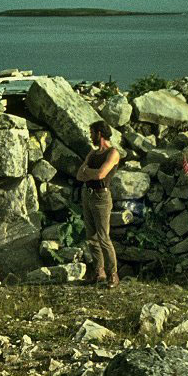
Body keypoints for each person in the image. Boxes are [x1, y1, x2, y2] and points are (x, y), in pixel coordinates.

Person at [75, 121, 121, 288]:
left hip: (102, 197)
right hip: (87, 195)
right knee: (91, 237)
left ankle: (113, 274)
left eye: (92, 133)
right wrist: (89, 174)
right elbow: (79, 175)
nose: (90, 136)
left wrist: (89, 172)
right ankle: (98, 272)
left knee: (103, 237)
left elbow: (101, 174)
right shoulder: (92, 154)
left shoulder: (113, 153)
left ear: (100, 134)